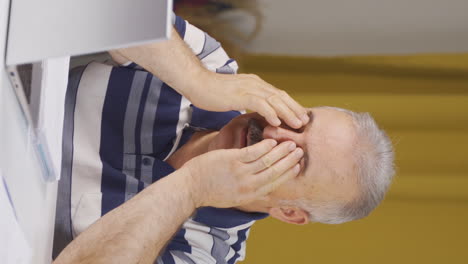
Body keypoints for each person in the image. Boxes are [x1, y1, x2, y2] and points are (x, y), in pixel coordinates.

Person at [53, 15, 394, 264]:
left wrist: (191, 188)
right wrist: (199, 82)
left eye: (296, 158)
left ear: (289, 212)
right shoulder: (213, 69)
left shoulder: (208, 255)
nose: (274, 132)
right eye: (301, 122)